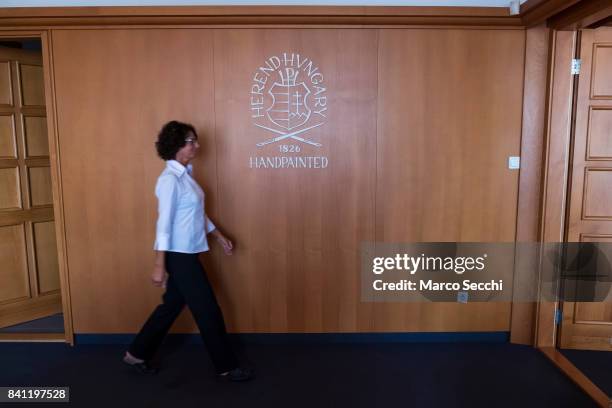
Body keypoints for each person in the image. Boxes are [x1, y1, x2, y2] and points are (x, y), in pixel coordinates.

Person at [122, 120, 253, 382]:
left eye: (195, 140)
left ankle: (136, 354)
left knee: (170, 307)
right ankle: (226, 366)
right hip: (179, 257)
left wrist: (218, 235)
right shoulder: (170, 180)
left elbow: (196, 214)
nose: (197, 145)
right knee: (208, 310)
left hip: (189, 253)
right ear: (177, 145)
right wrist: (159, 263)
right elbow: (164, 223)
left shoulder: (186, 176)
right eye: (191, 141)